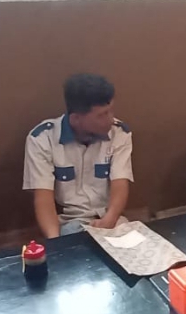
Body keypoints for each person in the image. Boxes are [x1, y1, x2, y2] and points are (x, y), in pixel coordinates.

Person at [23, 73, 134, 238]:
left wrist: (110, 219)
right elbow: (43, 199)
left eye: (110, 111)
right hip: (70, 221)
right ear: (75, 118)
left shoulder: (119, 132)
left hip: (109, 217)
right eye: (102, 115)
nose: (110, 119)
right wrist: (56, 242)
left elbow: (120, 183)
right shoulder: (42, 138)